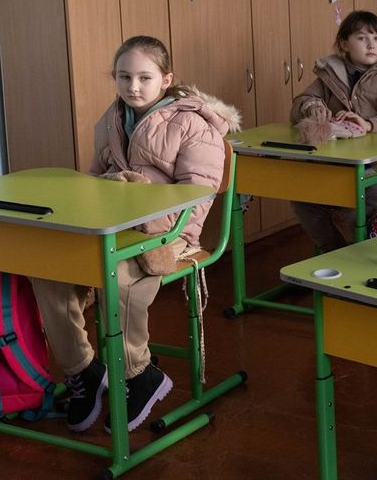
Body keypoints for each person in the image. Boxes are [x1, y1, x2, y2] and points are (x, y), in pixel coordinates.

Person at [31, 36, 239, 433]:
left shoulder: (194, 124)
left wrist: (142, 213)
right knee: (49, 270)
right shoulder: (110, 120)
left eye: (145, 77)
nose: (133, 86)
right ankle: (85, 370)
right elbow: (93, 183)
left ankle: (138, 374)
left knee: (120, 278)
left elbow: (197, 197)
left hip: (171, 232)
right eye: (124, 77)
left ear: (166, 79)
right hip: (117, 229)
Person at [289, 10, 377, 250]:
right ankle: (337, 254)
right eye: (362, 38)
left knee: (356, 199)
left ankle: (367, 254)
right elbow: (300, 103)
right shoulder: (331, 75)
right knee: (303, 198)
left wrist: (370, 124)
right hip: (340, 161)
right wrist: (312, 106)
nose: (371, 44)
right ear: (344, 43)